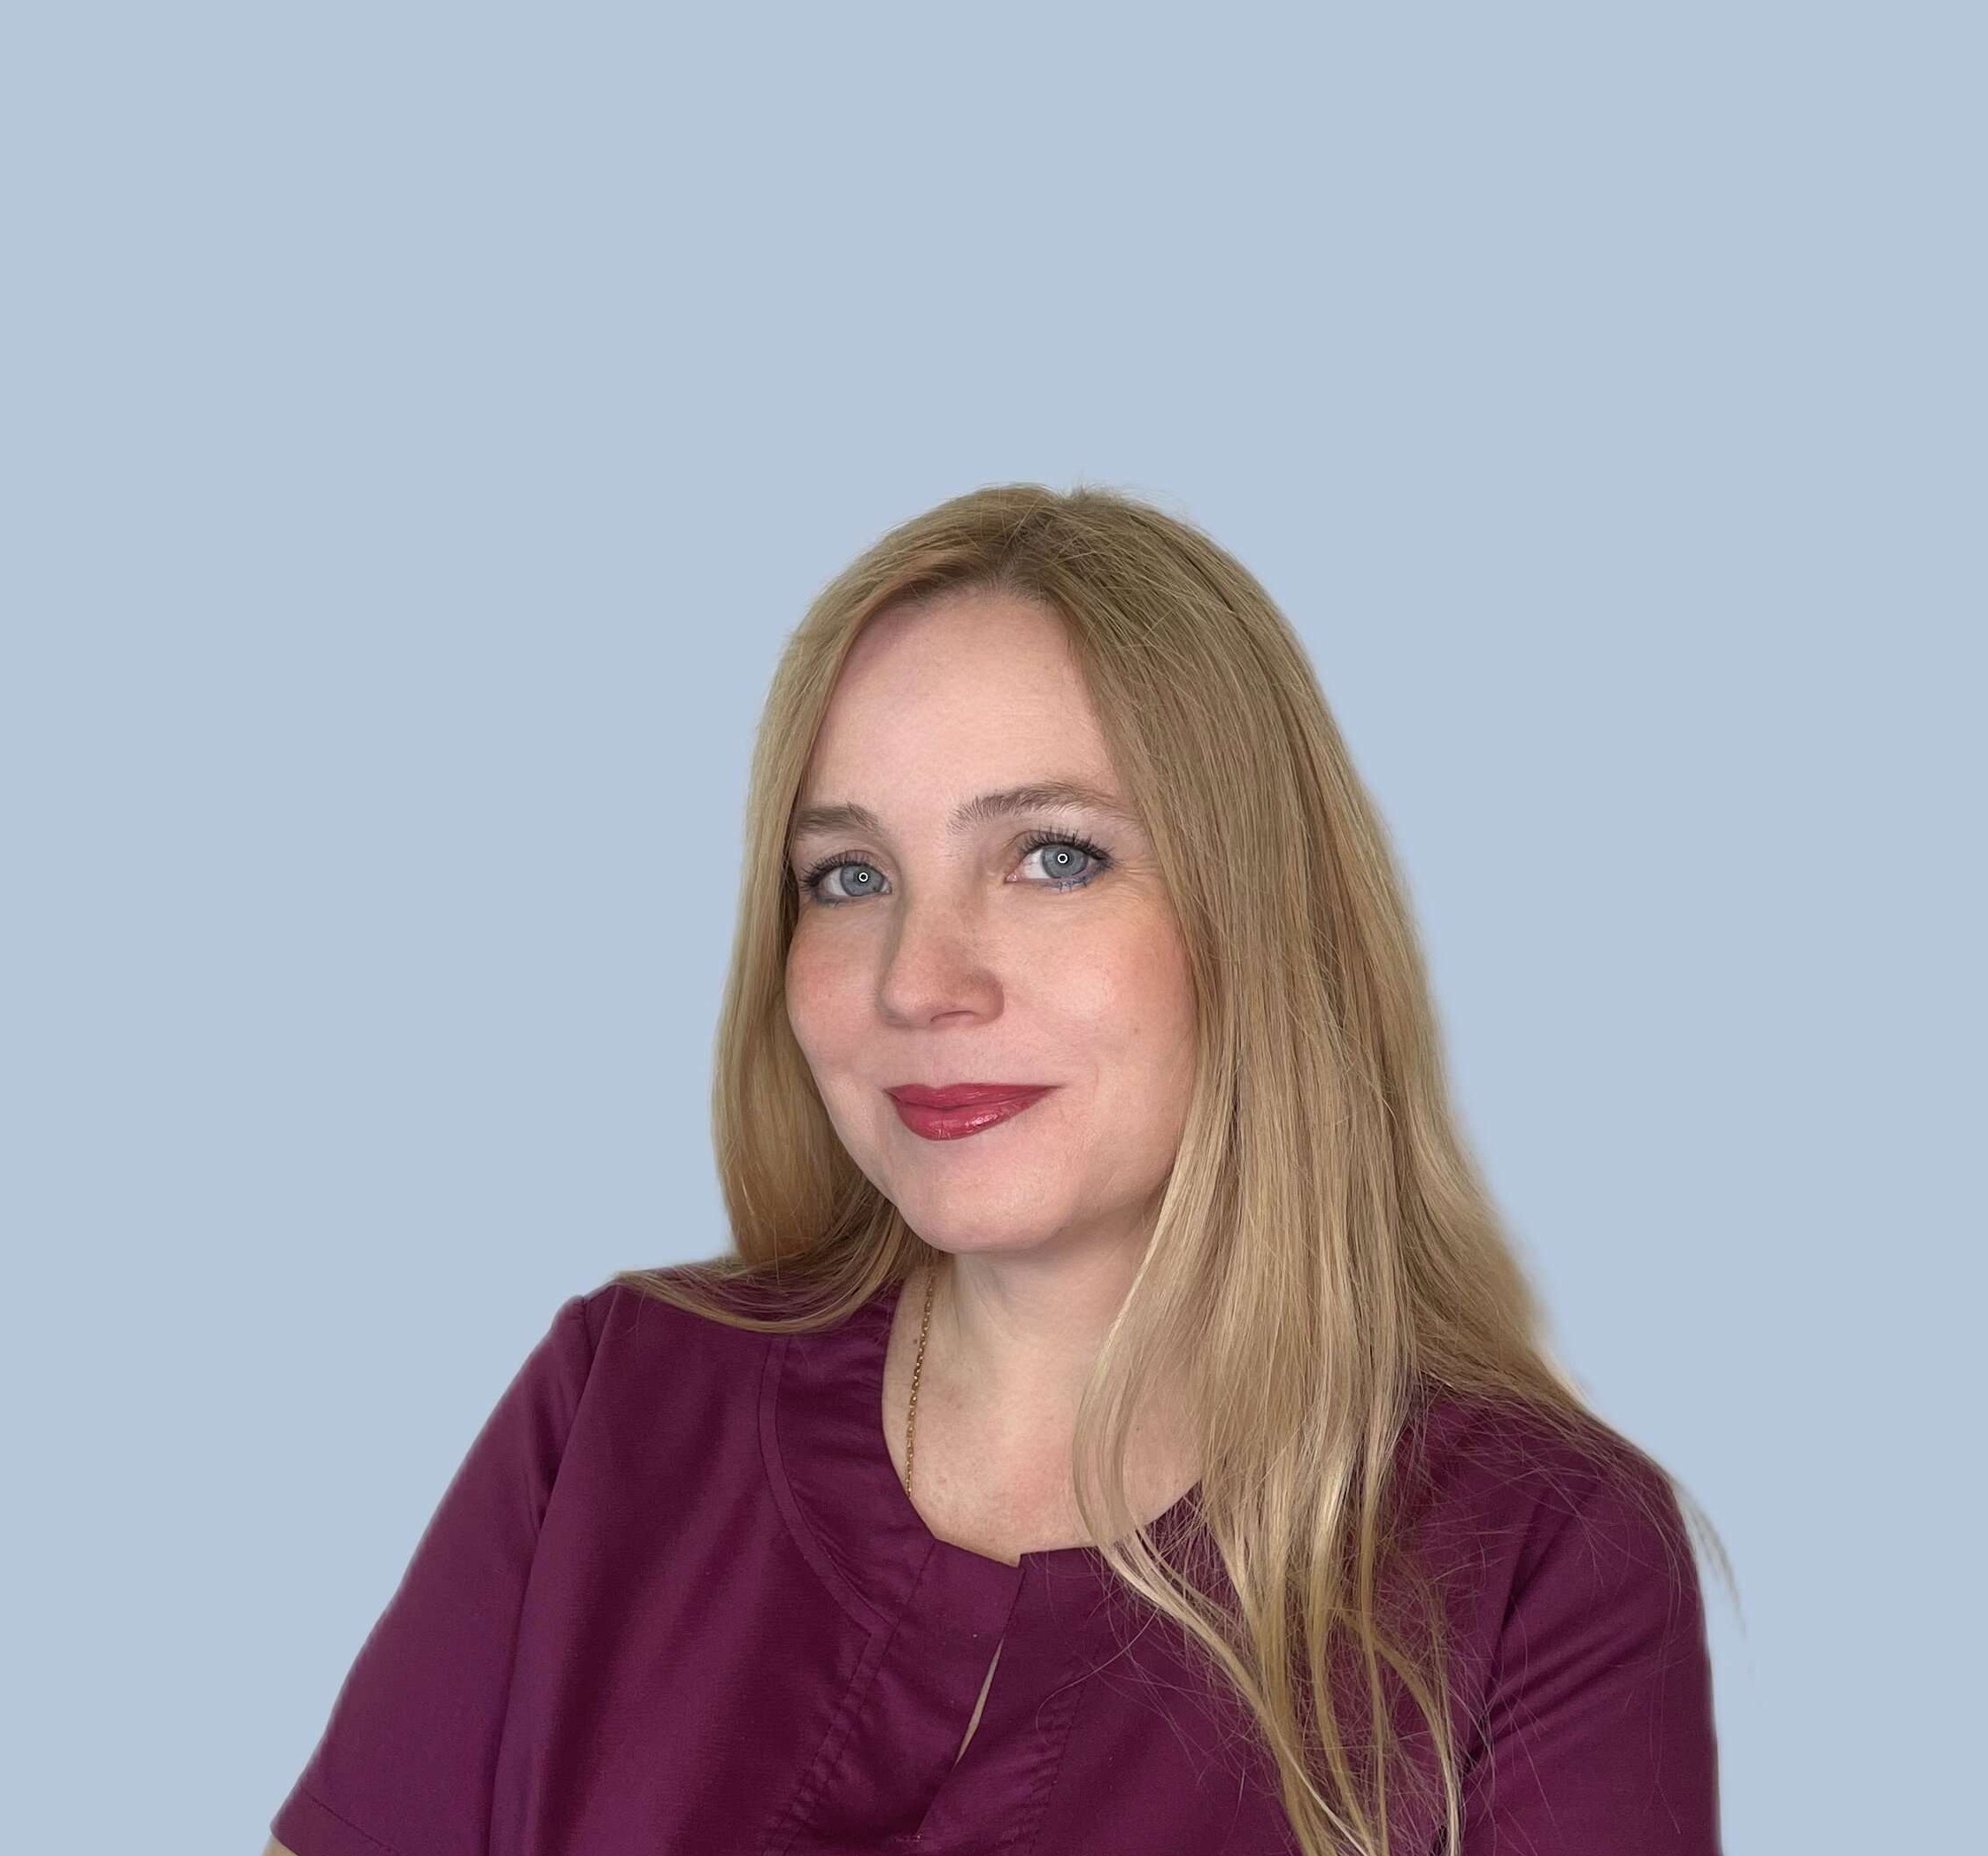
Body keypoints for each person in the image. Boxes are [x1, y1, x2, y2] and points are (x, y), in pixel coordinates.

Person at [265, 485, 1725, 1856]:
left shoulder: (1541, 1558)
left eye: (1053, 857)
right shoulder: (615, 1403)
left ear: (1263, 915)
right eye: (849, 876)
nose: (918, 980)